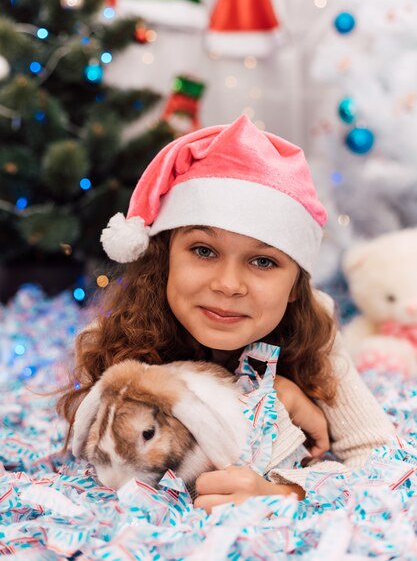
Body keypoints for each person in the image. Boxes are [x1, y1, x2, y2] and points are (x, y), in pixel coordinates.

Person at [58, 115, 395, 513]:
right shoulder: (122, 339)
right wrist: (268, 397)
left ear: (294, 288)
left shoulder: (314, 331)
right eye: (204, 251)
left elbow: (384, 461)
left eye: (264, 262)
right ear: (165, 259)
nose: (229, 284)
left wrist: (287, 491)